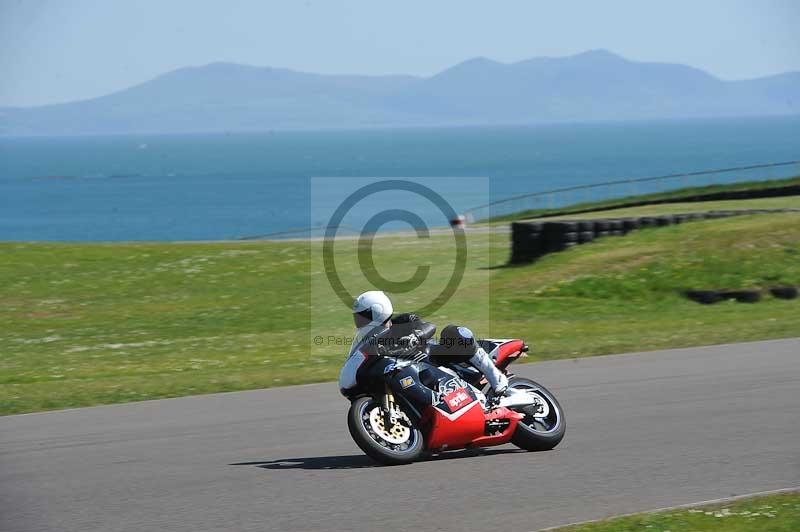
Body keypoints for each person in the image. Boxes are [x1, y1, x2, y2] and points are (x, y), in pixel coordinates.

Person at [341, 290, 508, 395]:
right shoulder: (369, 341)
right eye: (357, 317)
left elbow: (428, 326)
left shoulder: (401, 323)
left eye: (362, 316)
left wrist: (416, 335)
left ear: (378, 311)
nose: (359, 321)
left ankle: (495, 376)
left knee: (453, 332)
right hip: (408, 374)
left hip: (434, 359)